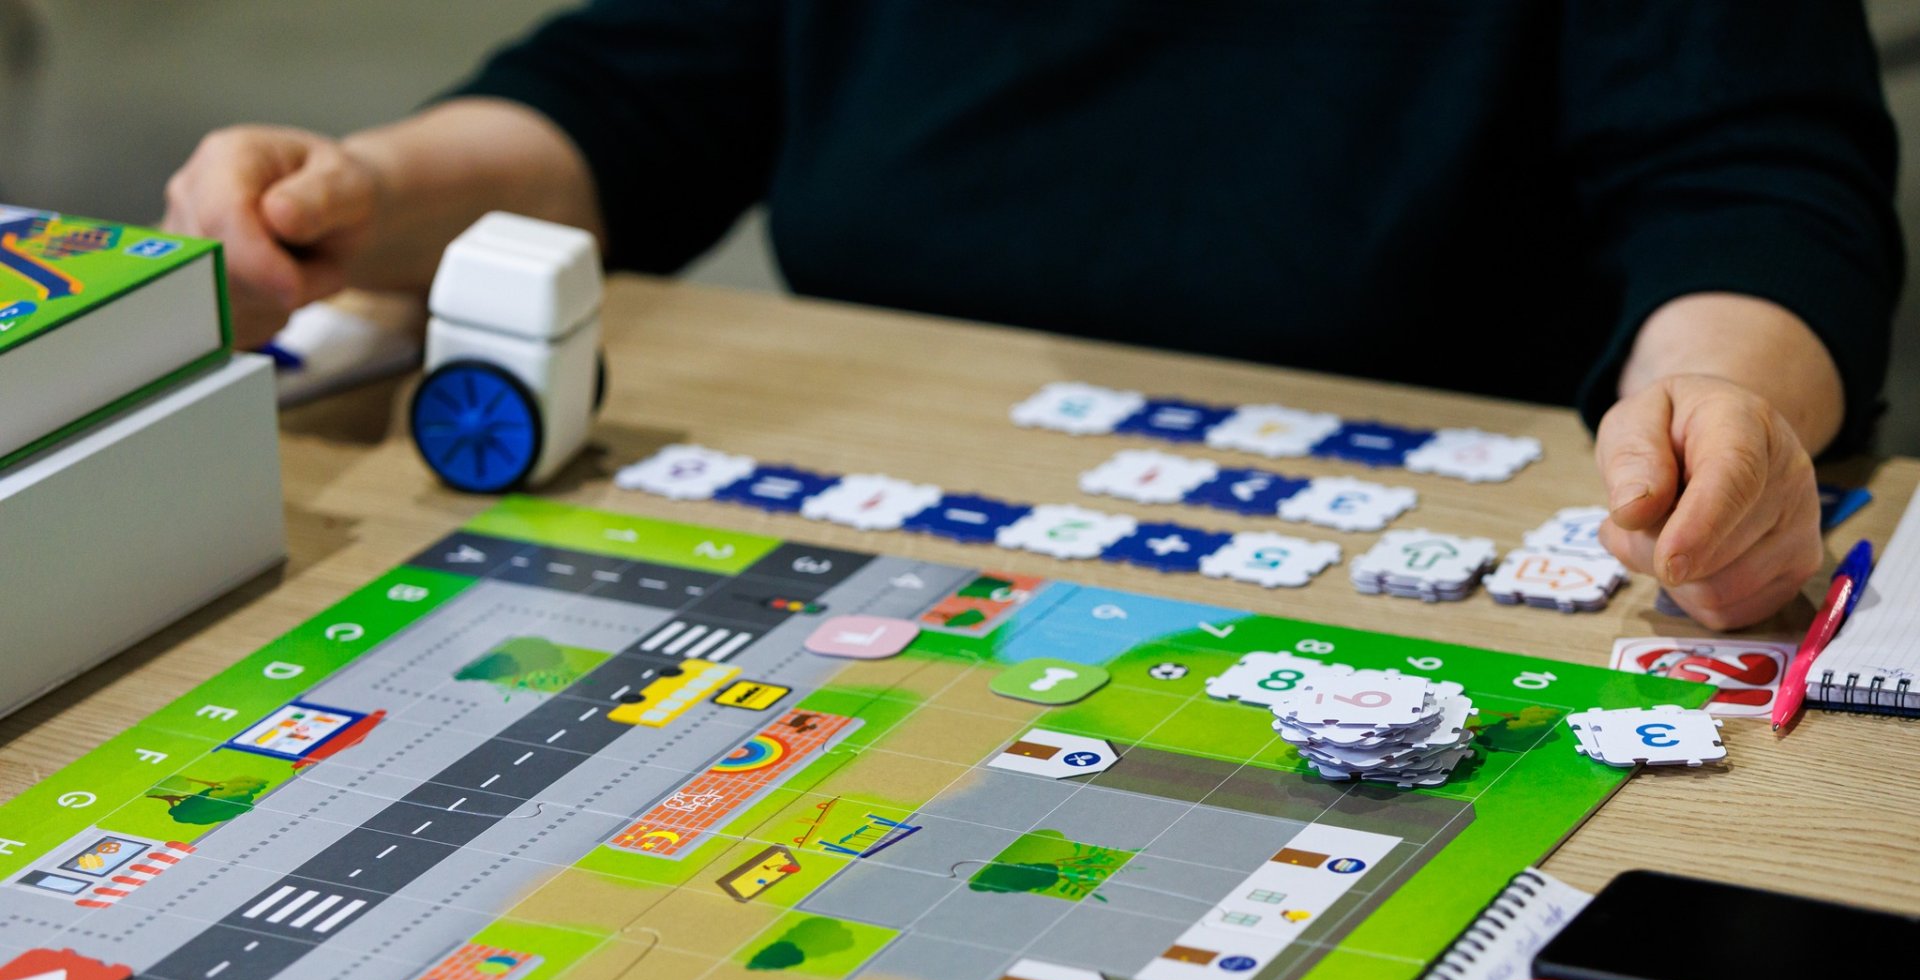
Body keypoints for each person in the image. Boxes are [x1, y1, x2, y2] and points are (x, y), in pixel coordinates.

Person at [161, 2, 1903, 631]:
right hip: (922, 544)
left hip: (1443, 554)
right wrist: (363, 189)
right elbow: (634, 99)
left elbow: (1753, 177)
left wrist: (1718, 402)